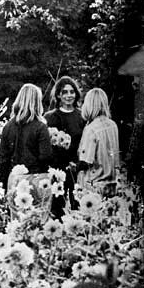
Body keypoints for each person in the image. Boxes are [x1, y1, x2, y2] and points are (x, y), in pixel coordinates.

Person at [0, 83, 53, 188]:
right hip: (35, 180)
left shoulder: (8, 127)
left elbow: (3, 161)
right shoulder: (41, 127)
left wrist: (6, 182)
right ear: (37, 102)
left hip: (13, 180)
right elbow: (46, 156)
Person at [44, 76, 84, 215]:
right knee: (57, 210)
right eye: (65, 92)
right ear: (58, 95)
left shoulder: (82, 116)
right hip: (57, 171)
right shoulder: (49, 117)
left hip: (76, 170)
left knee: (76, 209)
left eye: (72, 92)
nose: (69, 95)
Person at [76, 88, 119, 197]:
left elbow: (85, 161)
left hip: (94, 185)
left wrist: (73, 167)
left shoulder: (91, 128)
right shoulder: (113, 125)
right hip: (112, 184)